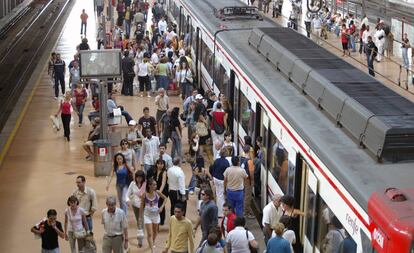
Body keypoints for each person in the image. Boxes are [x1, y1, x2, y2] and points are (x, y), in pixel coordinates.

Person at [138, 178, 167, 251]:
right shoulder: (144, 194)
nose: (155, 186)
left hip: (156, 216)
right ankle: (152, 249)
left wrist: (161, 207)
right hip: (147, 216)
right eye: (154, 185)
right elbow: (141, 206)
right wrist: (139, 217)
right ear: (149, 186)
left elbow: (165, 198)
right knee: (150, 234)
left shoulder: (157, 192)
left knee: (155, 232)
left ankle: (153, 241)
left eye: (156, 184)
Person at [126, 170, 146, 247]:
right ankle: (140, 235)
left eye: (140, 177)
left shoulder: (145, 184)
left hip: (143, 206)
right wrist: (127, 201)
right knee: (138, 220)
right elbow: (127, 194)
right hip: (135, 205)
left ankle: (140, 240)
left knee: (141, 221)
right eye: (137, 177)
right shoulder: (132, 184)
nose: (139, 179)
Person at [210, 148, 230, 217]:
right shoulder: (226, 162)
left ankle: (218, 211)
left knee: (218, 195)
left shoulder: (216, 161)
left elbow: (212, 169)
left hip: (216, 179)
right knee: (221, 196)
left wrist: (213, 177)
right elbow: (227, 173)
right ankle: (221, 213)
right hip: (222, 180)